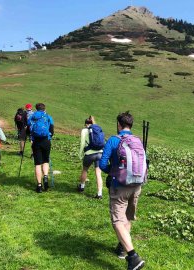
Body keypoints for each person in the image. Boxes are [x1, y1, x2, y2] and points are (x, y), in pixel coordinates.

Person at [99, 111, 145, 270]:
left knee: (118, 220)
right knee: (128, 217)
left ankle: (133, 256)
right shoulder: (138, 141)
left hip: (119, 186)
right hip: (137, 184)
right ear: (130, 125)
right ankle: (122, 248)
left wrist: (111, 172)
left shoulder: (114, 140)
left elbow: (103, 164)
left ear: (119, 124)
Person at [28, 103, 54, 193]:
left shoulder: (32, 117)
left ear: (36, 108)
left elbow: (28, 129)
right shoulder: (48, 117)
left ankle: (39, 185)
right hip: (46, 141)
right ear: (44, 108)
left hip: (36, 142)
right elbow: (52, 130)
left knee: (38, 164)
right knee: (46, 161)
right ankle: (45, 177)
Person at [78, 116, 103, 199]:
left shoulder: (84, 130)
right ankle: (99, 193)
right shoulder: (98, 129)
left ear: (86, 124)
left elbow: (82, 143)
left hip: (89, 154)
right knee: (98, 173)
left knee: (85, 169)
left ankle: (82, 186)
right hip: (100, 153)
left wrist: (80, 154)